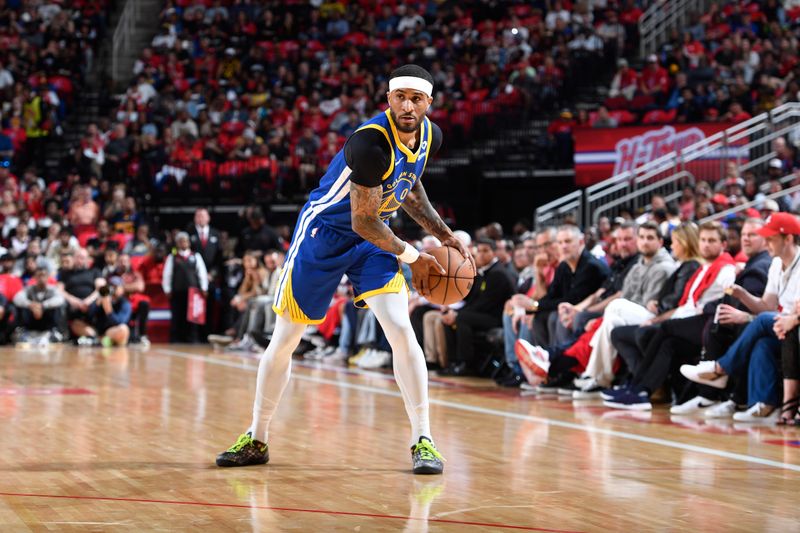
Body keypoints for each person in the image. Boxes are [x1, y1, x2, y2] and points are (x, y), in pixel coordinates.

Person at [216, 65, 472, 475]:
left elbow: (409, 185)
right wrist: (414, 257)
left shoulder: (430, 136)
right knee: (286, 338)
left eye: (416, 98)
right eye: (400, 96)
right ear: (388, 99)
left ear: (429, 102)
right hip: (327, 234)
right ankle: (256, 436)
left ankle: (423, 439)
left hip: (375, 240)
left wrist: (443, 235)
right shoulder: (369, 143)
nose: (408, 105)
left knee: (400, 329)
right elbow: (363, 221)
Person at [162, 232, 208, 343]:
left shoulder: (195, 256)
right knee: (177, 316)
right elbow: (167, 275)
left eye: (185, 241)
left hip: (193, 292)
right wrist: (167, 289)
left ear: (189, 242)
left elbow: (202, 273)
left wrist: (204, 288)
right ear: (177, 243)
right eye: (181, 241)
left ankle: (192, 338)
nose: (183, 243)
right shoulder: (172, 257)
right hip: (177, 291)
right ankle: (176, 338)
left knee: (193, 316)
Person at [12, 266, 65, 342]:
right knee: (18, 306)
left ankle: (55, 331)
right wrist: (30, 305)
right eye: (39, 275)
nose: (41, 278)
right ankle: (22, 331)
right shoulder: (28, 288)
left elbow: (60, 299)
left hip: (47, 321)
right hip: (31, 320)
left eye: (43, 275)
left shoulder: (53, 289)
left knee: (61, 306)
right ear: (35, 277)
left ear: (48, 277)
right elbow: (16, 298)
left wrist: (42, 306)